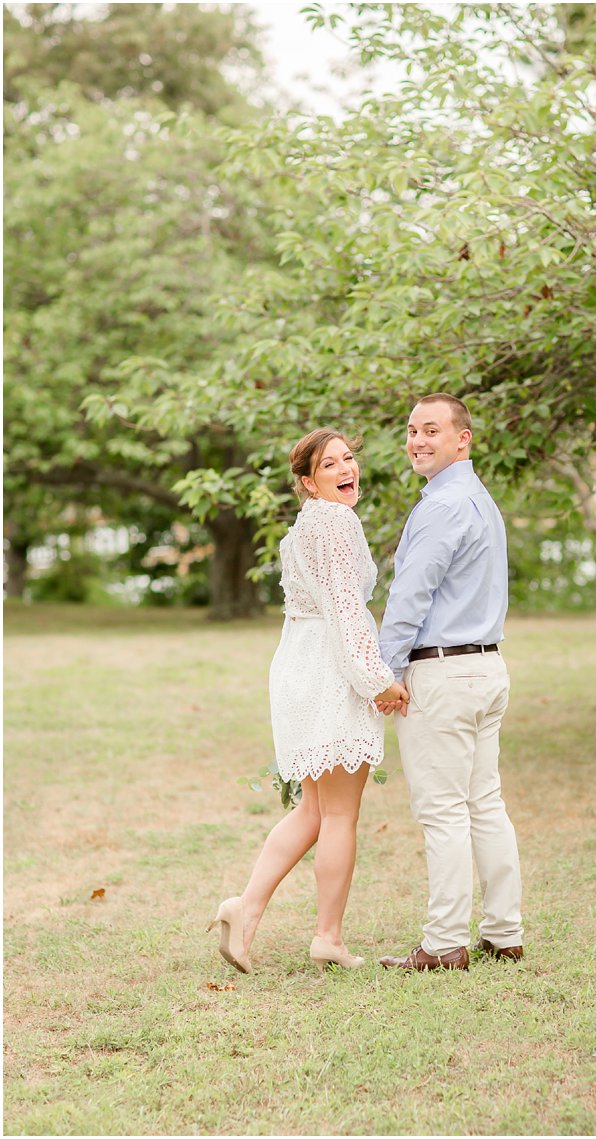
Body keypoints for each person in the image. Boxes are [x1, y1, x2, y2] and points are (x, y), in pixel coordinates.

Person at [208, 429, 409, 973]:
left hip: (299, 664)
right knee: (340, 813)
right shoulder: (337, 521)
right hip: (331, 670)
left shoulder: (302, 529)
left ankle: (243, 909)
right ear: (307, 481)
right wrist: (378, 680)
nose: (347, 470)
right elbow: (347, 610)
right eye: (330, 465)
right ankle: (327, 937)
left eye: (349, 459)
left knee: (315, 808)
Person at [375, 394, 523, 972]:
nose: (417, 440)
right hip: (486, 667)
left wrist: (386, 673)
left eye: (431, 430)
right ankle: (504, 932)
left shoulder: (443, 505)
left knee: (444, 812)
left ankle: (442, 945)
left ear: (464, 438)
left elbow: (411, 594)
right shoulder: (479, 500)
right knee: (484, 802)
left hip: (444, 671)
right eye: (411, 430)